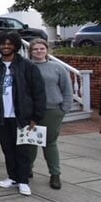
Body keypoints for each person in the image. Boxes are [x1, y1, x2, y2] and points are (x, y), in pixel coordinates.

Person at [0, 31, 46, 196]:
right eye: (2, 43)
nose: (6, 46)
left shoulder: (27, 66)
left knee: (23, 150)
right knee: (7, 149)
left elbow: (39, 93)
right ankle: (12, 177)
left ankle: (23, 180)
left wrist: (36, 117)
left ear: (15, 45)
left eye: (9, 43)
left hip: (22, 116)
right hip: (0, 117)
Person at [28, 39, 72, 190]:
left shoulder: (57, 68)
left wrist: (64, 108)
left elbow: (67, 89)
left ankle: (55, 174)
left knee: (50, 142)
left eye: (41, 49)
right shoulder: (26, 67)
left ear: (46, 50)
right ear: (30, 52)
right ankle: (28, 170)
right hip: (31, 111)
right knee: (30, 142)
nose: (39, 51)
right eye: (35, 49)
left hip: (53, 111)